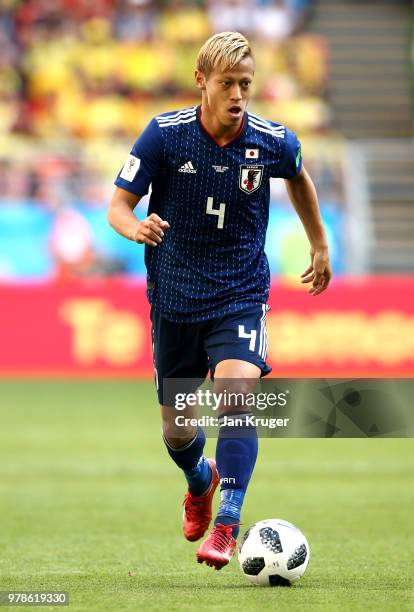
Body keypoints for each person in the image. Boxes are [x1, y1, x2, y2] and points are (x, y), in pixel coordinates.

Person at [107, 31, 331, 571]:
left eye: (246, 84)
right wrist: (134, 228)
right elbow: (118, 206)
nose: (237, 95)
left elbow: (298, 175)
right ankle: (199, 481)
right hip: (176, 298)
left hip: (240, 291)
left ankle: (229, 524)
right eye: (228, 83)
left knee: (236, 394)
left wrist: (319, 243)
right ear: (201, 82)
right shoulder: (164, 135)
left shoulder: (271, 141)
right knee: (177, 431)